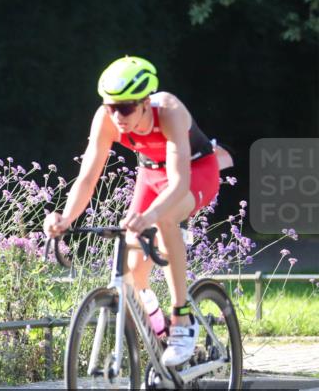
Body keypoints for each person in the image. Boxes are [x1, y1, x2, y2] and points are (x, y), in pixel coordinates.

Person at [43, 55, 229, 367]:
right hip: (150, 175)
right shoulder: (105, 118)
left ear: (144, 102)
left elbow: (180, 184)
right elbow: (88, 179)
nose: (117, 115)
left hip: (195, 172)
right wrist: (65, 218)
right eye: (111, 106)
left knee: (167, 217)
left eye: (126, 107)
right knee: (131, 272)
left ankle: (181, 318)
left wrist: (151, 216)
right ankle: (159, 341)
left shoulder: (168, 110)